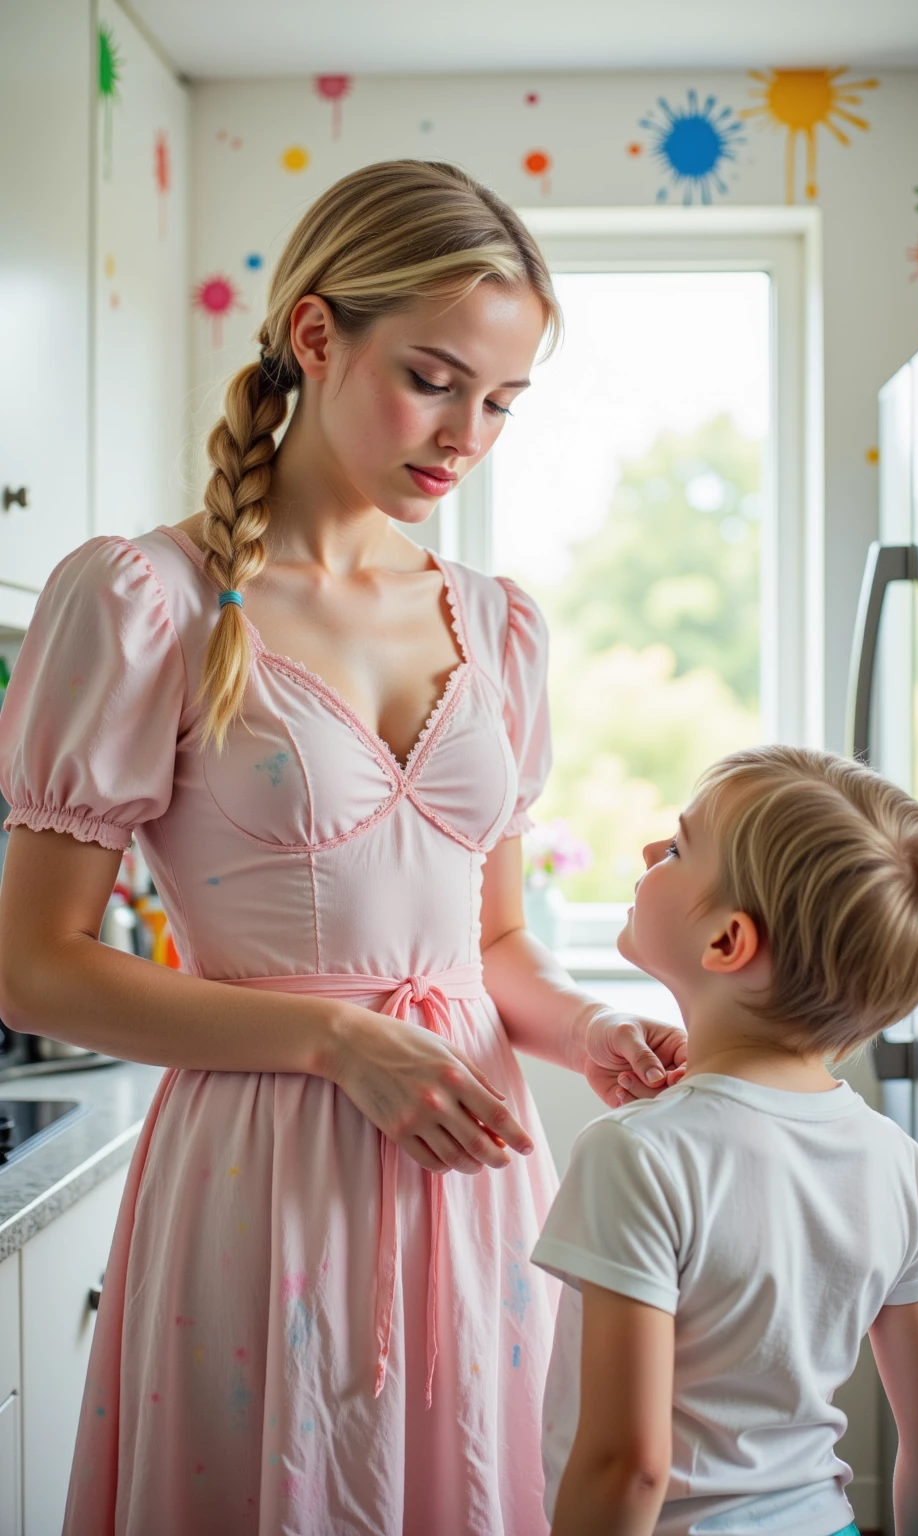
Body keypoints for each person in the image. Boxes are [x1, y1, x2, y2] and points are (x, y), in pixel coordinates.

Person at [0, 159, 688, 1535]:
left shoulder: (499, 626)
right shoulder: (148, 602)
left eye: (500, 400)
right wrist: (332, 1042)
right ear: (316, 335)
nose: (467, 433)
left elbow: (491, 946)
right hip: (262, 1186)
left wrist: (590, 1025)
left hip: (475, 1193)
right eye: (433, 378)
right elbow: (32, 970)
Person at [532, 745, 918, 1536]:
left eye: (674, 849)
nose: (645, 854)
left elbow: (628, 1464)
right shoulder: (896, 1163)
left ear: (728, 943)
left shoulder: (636, 1154)